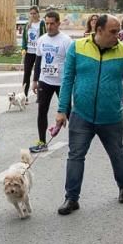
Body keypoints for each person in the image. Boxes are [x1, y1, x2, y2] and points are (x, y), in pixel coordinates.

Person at [53, 14, 123, 214]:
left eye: (118, 31)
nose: (117, 35)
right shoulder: (78, 47)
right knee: (75, 156)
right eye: (112, 32)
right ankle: (71, 198)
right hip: (81, 115)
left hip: (111, 117)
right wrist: (61, 110)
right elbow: (67, 80)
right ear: (98, 30)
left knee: (117, 154)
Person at [31, 10, 73, 152]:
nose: (49, 27)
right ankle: (42, 142)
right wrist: (35, 80)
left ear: (58, 24)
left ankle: (76, 139)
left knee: (68, 111)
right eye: (47, 23)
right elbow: (38, 60)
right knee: (41, 111)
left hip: (62, 83)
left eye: (52, 24)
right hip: (45, 81)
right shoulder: (42, 39)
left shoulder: (66, 41)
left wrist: (73, 80)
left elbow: (72, 62)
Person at [21, 6, 45, 99]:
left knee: (39, 73)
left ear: (38, 13)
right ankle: (24, 96)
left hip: (38, 53)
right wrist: (23, 48)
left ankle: (40, 95)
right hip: (29, 52)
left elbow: (44, 36)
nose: (33, 15)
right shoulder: (27, 24)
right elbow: (24, 38)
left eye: (34, 13)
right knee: (26, 73)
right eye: (31, 13)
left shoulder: (41, 23)